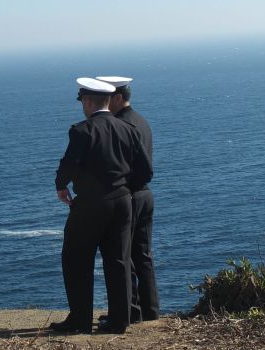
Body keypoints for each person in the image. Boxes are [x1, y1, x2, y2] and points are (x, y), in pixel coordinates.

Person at [49, 78, 152, 334]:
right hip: (123, 203)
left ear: (87, 101)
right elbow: (145, 170)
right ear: (109, 101)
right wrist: (125, 189)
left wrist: (61, 186)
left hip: (91, 205)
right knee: (118, 261)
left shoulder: (82, 131)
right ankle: (120, 320)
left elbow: (69, 163)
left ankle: (80, 320)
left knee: (76, 259)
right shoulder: (127, 127)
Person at [97, 76, 159, 322]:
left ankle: (131, 312)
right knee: (142, 256)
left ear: (118, 98)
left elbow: (138, 168)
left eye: (108, 98)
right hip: (145, 196)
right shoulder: (141, 121)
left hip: (131, 195)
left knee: (123, 256)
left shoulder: (120, 125)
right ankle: (150, 310)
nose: (105, 104)